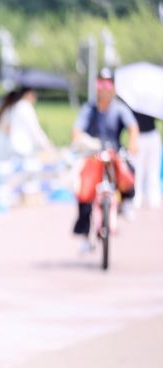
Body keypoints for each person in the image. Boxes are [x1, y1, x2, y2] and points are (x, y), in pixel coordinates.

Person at [71, 68, 139, 250]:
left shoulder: (119, 109)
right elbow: (77, 130)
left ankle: (126, 202)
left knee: (128, 171)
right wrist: (79, 141)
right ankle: (86, 235)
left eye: (108, 84)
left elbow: (133, 127)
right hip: (93, 156)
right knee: (84, 190)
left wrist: (133, 144)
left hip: (113, 154)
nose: (104, 88)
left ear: (114, 87)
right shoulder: (89, 109)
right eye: (100, 84)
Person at [8, 87, 52, 159]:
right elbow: (35, 128)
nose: (35, 98)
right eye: (33, 95)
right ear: (27, 94)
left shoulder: (17, 105)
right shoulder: (26, 107)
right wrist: (46, 144)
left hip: (14, 145)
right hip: (23, 147)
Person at [131, 111, 161, 209]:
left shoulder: (152, 104)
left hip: (152, 135)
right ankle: (136, 197)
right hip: (138, 136)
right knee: (137, 170)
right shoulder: (133, 104)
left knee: (153, 170)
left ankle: (154, 197)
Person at [0, 90, 20, 161]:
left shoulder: (5, 109)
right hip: (4, 140)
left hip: (1, 138)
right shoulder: (9, 111)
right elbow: (5, 127)